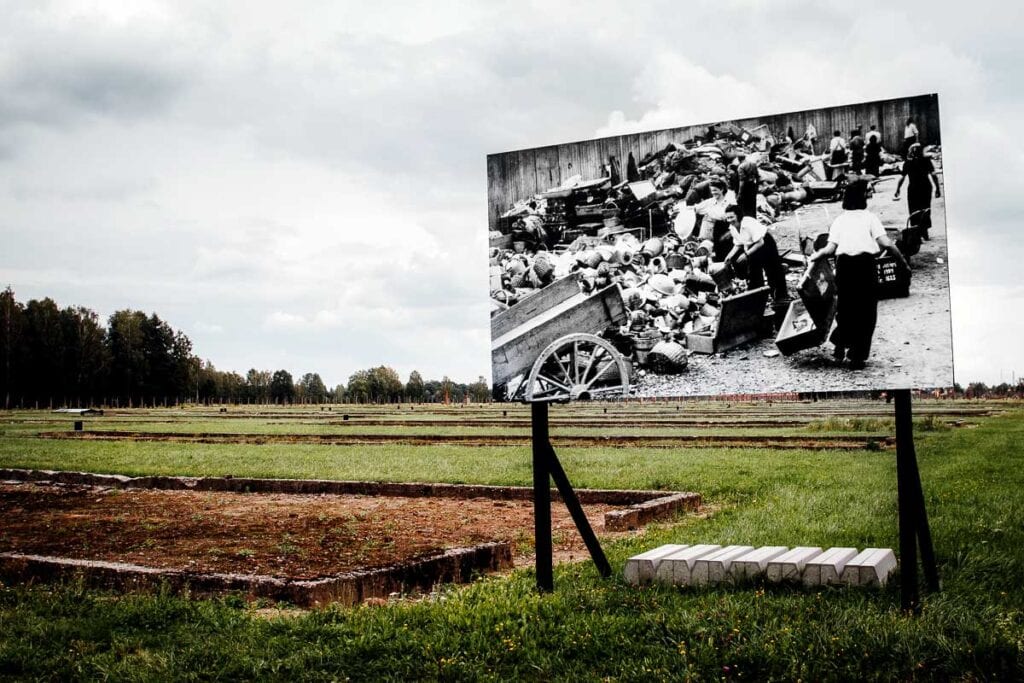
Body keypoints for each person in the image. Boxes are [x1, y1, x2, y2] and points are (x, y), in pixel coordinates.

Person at [806, 180, 910, 369]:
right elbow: (886, 243)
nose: (870, 194)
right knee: (866, 311)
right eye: (868, 191)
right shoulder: (870, 218)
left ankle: (840, 343)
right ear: (861, 196)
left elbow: (830, 248)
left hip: (844, 267)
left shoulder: (840, 220)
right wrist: (902, 263)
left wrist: (816, 256)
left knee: (846, 309)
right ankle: (857, 355)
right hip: (865, 267)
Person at [723, 205, 788, 302]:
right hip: (752, 246)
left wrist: (746, 254)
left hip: (765, 243)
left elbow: (760, 242)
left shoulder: (748, 223)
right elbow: (738, 244)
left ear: (738, 216)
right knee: (754, 273)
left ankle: (780, 296)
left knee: (773, 270)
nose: (729, 220)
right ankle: (758, 298)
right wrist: (729, 256)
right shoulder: (732, 228)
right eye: (727, 218)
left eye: (732, 217)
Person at [894, 143, 941, 240]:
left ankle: (916, 232)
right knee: (925, 207)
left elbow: (902, 177)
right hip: (926, 187)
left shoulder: (908, 163)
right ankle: (924, 230)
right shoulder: (926, 161)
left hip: (913, 188)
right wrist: (937, 188)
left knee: (914, 209)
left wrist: (898, 189)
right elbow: (933, 175)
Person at [736, 152, 761, 218]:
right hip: (753, 186)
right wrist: (757, 187)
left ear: (738, 159)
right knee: (753, 204)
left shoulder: (740, 167)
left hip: (746, 188)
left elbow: (742, 181)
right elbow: (758, 177)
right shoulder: (753, 164)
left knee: (745, 206)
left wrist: (739, 193)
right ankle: (754, 218)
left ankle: (748, 220)